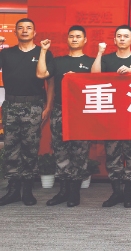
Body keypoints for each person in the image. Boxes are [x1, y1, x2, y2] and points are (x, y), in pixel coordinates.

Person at [0, 18, 54, 207]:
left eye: (29, 28)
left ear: (34, 32)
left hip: (34, 105)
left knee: (30, 148)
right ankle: (13, 190)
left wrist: (48, 106)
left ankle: (28, 190)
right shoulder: (7, 54)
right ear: (15, 32)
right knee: (11, 148)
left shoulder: (43, 52)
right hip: (11, 105)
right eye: (20, 28)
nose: (24, 30)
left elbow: (48, 81)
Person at [35, 25, 94, 207]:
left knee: (80, 152)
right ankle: (63, 191)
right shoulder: (58, 61)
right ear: (67, 39)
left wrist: (78, 79)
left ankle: (74, 193)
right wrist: (43, 51)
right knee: (60, 150)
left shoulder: (92, 62)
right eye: (71, 36)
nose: (74, 39)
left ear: (85, 40)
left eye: (78, 36)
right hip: (61, 110)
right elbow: (41, 74)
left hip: (82, 112)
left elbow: (99, 84)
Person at [92, 25, 131, 208]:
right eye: (119, 36)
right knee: (112, 156)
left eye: (126, 36)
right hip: (111, 115)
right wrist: (99, 53)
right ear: (114, 40)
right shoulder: (107, 59)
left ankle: (129, 195)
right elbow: (94, 75)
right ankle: (116, 193)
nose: (122, 39)